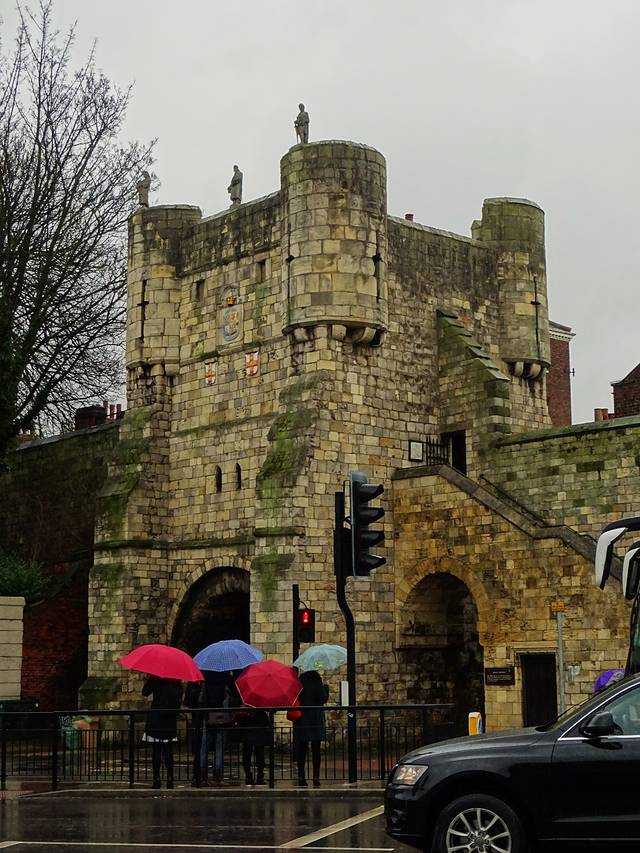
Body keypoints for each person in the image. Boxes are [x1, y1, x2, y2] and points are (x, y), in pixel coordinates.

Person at [142, 676, 183, 789]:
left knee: (156, 751)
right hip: (169, 720)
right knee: (168, 751)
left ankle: (157, 779)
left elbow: (145, 692)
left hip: (156, 718)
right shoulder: (177, 682)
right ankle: (170, 779)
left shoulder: (156, 678)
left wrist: (147, 681)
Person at [292, 669, 329, 787]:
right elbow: (323, 698)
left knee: (302, 749)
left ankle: (301, 777)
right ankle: (316, 777)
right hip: (315, 720)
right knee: (316, 749)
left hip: (302, 719)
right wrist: (326, 687)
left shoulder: (300, 681)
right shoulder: (317, 681)